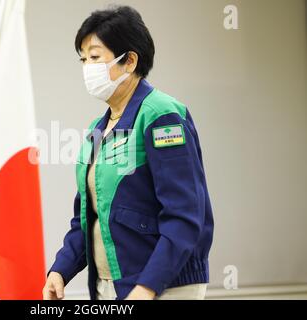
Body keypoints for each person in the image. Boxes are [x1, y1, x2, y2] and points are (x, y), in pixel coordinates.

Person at [43, 5, 214, 300]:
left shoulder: (161, 115)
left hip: (163, 286)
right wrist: (59, 271)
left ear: (130, 60)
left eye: (95, 57)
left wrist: (148, 287)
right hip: (110, 285)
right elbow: (87, 218)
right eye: (83, 59)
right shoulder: (98, 129)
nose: (87, 68)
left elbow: (184, 215)